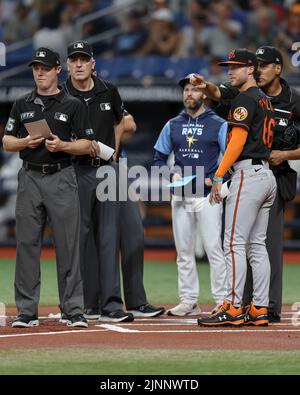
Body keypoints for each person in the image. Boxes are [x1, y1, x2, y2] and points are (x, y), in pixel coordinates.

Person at [192, 46, 300, 322]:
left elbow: (238, 140)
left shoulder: (244, 100)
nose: (230, 71)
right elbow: (217, 93)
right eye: (228, 66)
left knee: (233, 243)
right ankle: (260, 307)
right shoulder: (263, 99)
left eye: (235, 67)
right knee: (256, 245)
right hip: (266, 176)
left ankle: (233, 306)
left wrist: (219, 174)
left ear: (250, 69)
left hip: (248, 174)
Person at [2, 47, 93, 328]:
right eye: (35, 68)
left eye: (44, 67)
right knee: (26, 245)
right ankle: (27, 312)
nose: (39, 72)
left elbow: (88, 144)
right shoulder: (22, 103)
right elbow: (6, 141)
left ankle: (73, 310)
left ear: (57, 70)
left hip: (61, 175)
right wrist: (24, 143)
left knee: (68, 245)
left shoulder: (73, 104)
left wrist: (63, 145)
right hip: (29, 176)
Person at [153, 74, 228, 316]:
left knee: (214, 247)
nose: (189, 94)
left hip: (208, 195)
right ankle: (188, 301)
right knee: (183, 251)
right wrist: (170, 175)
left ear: (204, 94)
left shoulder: (219, 123)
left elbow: (230, 158)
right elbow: (158, 159)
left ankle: (222, 300)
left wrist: (216, 177)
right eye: (186, 90)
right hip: (182, 194)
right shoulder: (172, 124)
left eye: (194, 90)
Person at [116, 110, 165, 318]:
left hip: (118, 167)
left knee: (134, 235)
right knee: (99, 242)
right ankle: (95, 302)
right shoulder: (72, 100)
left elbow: (130, 125)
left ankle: (136, 302)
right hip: (89, 170)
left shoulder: (107, 95)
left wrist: (114, 128)